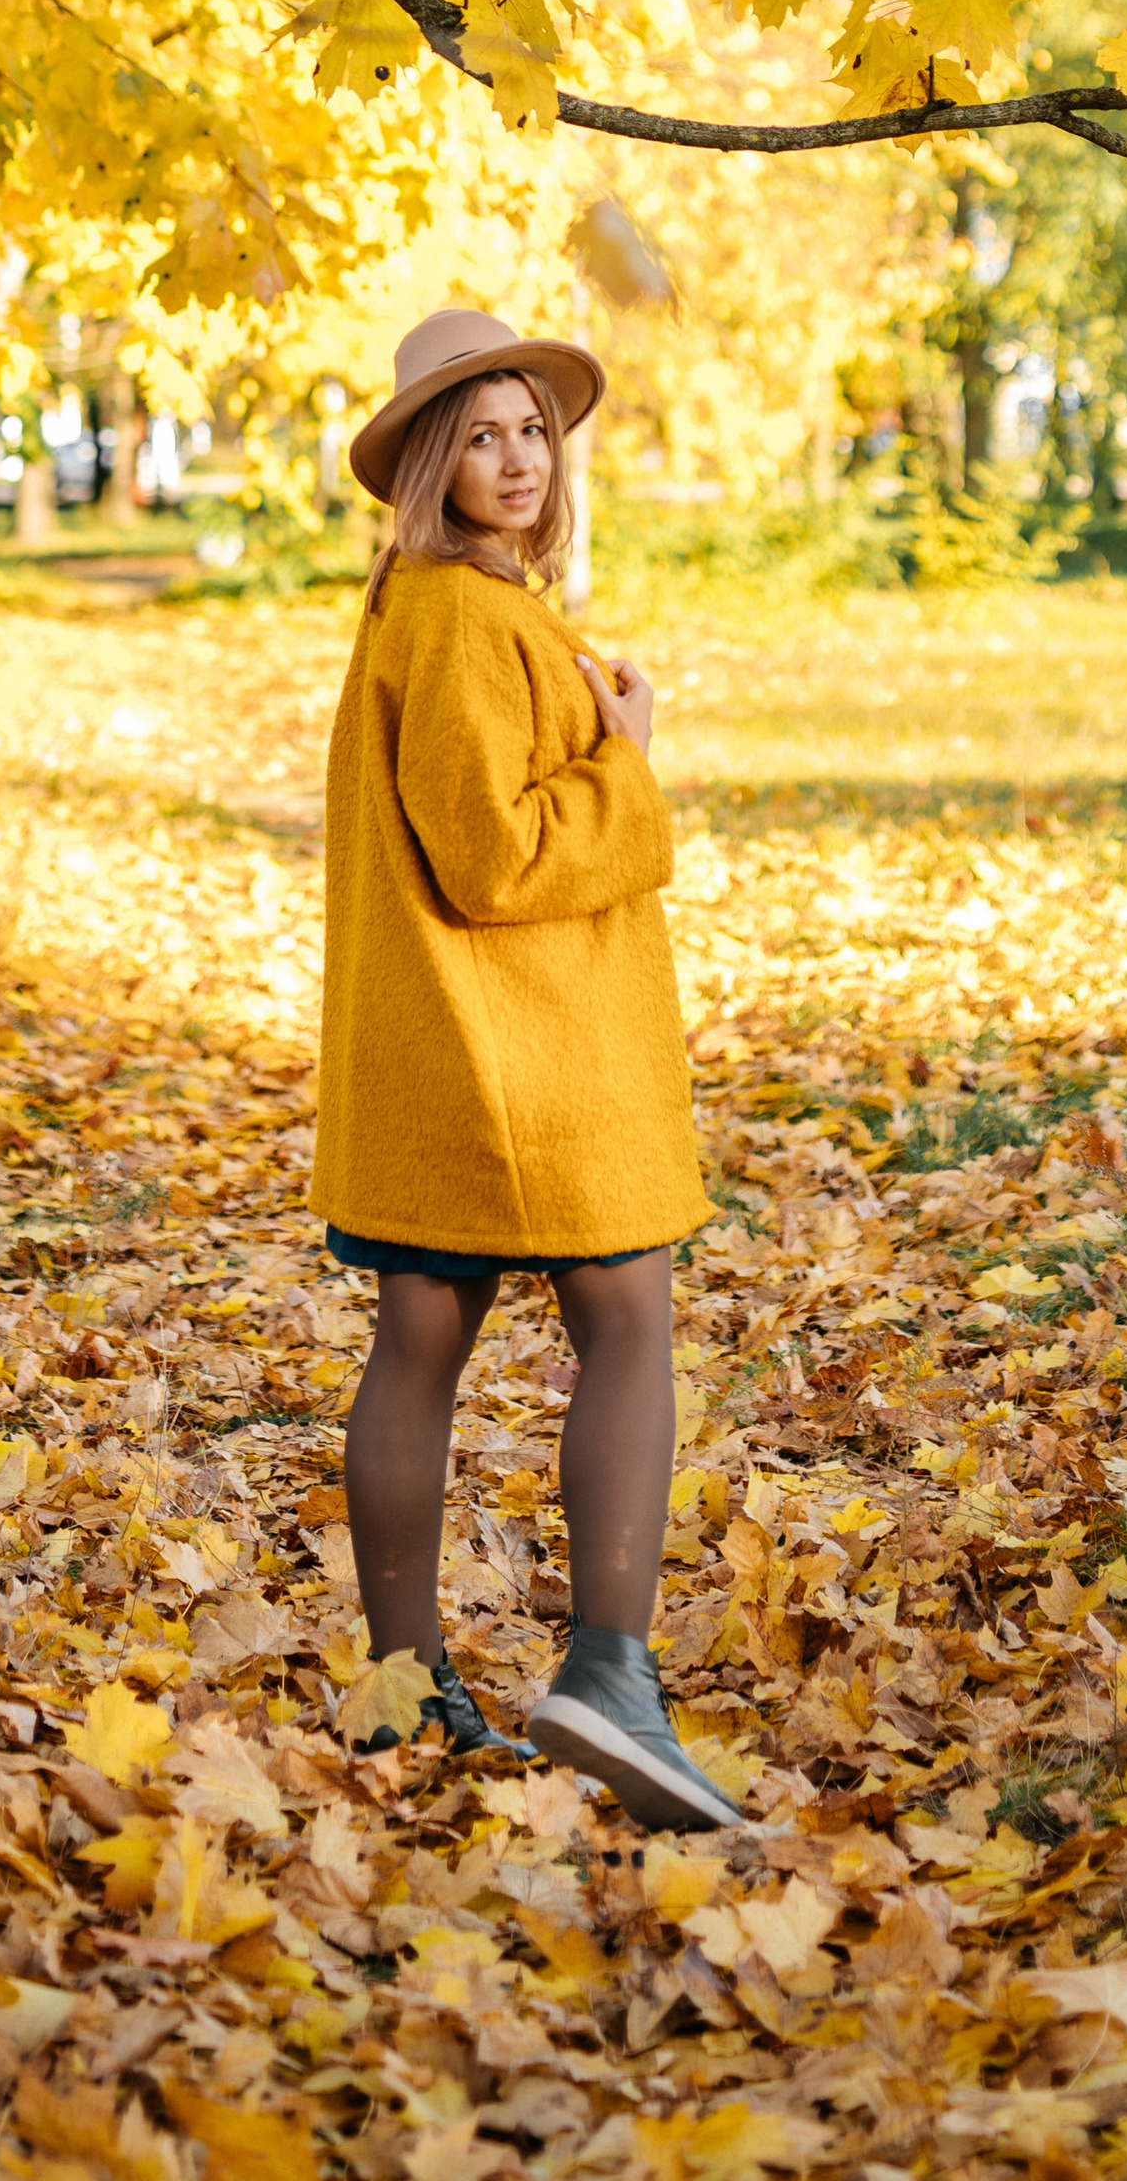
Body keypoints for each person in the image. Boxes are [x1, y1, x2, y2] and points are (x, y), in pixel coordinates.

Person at [312, 305, 739, 1830]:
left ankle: (398, 1686)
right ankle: (611, 1678)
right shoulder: (465, 619)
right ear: (432, 457)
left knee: (419, 1338)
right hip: (518, 1062)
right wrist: (627, 758)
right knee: (630, 1323)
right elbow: (497, 857)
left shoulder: (432, 608)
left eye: (533, 432)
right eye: (480, 433)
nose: (516, 458)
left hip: (449, 1052)